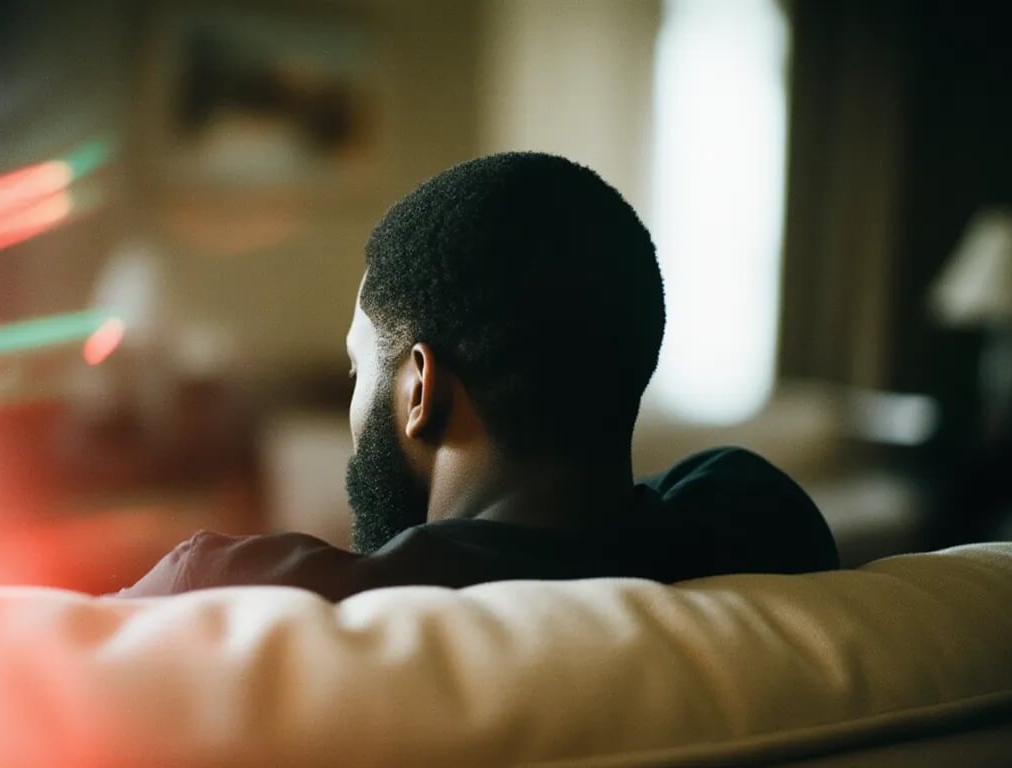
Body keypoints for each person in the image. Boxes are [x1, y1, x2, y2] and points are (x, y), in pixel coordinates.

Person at [117, 152, 837, 600]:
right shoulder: (762, 524)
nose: (352, 394)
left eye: (357, 365)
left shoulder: (224, 594)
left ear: (420, 389)